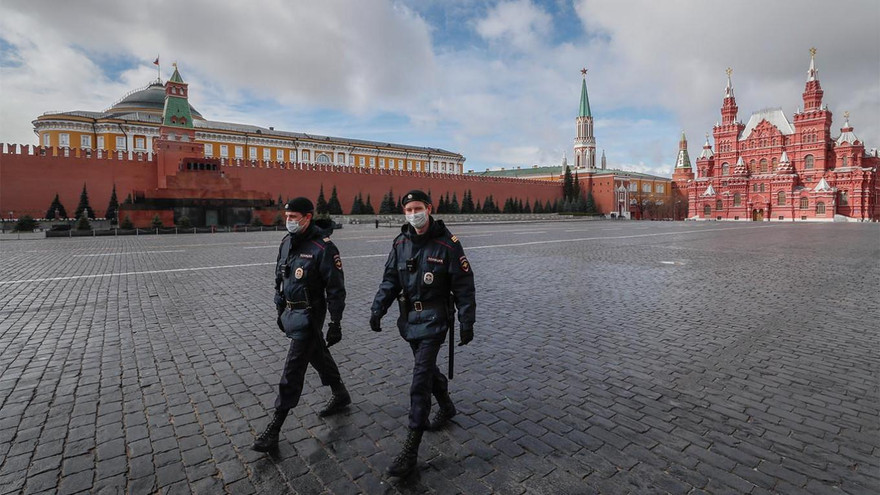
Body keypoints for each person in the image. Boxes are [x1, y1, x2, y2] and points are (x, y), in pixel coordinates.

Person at [369, 189, 476, 477]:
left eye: (417, 208)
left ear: (429, 208)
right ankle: (447, 406)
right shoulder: (400, 242)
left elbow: (464, 286)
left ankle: (410, 449)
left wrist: (467, 321)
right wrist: (378, 309)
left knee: (419, 380)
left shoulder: (448, 244)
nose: (413, 214)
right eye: (408, 210)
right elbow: (390, 280)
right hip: (409, 320)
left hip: (435, 319)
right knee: (426, 370)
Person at [252, 197, 350, 452]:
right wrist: (279, 307)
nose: (289, 221)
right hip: (291, 312)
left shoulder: (323, 248)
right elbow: (280, 277)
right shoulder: (287, 242)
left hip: (310, 314)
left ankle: (275, 427)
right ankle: (340, 393)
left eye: (294, 217)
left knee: (293, 369)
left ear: (307, 217)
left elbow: (336, 289)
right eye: (287, 217)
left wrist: (335, 321)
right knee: (317, 354)